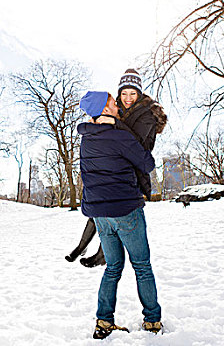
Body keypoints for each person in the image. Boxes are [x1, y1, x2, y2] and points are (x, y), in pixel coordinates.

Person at [78, 91, 162, 339]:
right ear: (104, 109)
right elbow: (146, 164)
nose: (117, 105)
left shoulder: (87, 138)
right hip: (126, 210)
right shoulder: (118, 136)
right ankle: (152, 321)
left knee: (113, 267)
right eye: (113, 103)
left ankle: (103, 321)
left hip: (100, 215)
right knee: (142, 267)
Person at [65, 69, 167, 268]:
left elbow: (134, 143)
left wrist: (112, 123)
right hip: (118, 165)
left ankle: (102, 255)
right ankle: (82, 247)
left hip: (134, 169)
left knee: (112, 209)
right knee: (100, 210)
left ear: (139, 94)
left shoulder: (146, 114)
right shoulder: (116, 108)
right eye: (124, 93)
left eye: (132, 94)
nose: (127, 98)